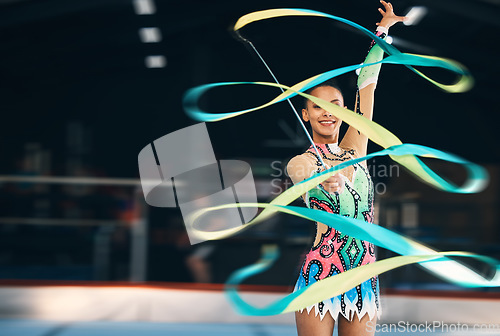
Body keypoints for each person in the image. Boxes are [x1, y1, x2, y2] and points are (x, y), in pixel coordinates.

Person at [286, 2, 407, 335]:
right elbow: (298, 170)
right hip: (321, 274)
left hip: (363, 274)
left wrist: (382, 33)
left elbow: (366, 86)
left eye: (334, 106)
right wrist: (322, 179)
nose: (328, 113)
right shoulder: (308, 160)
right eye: (317, 107)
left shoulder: (357, 150)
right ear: (306, 114)